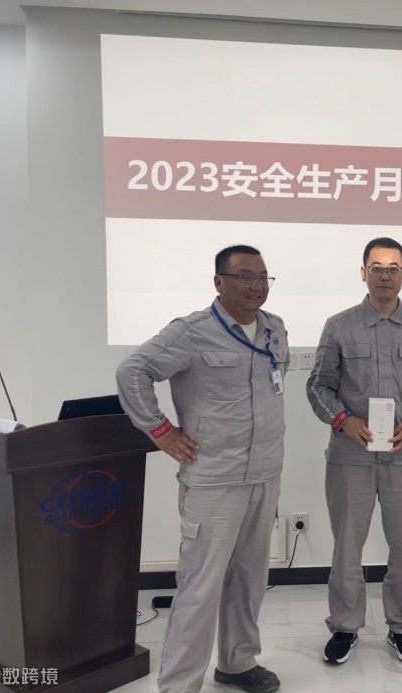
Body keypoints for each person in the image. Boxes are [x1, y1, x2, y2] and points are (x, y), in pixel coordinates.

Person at [116, 245, 288, 693]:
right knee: (200, 587)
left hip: (265, 473)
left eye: (263, 277)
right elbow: (132, 371)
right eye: (245, 276)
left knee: (250, 580)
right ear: (219, 282)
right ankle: (179, 684)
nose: (256, 286)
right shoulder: (192, 332)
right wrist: (160, 431)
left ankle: (237, 662)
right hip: (214, 478)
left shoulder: (274, 328)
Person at [306, 237, 402, 665]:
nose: (386, 275)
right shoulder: (339, 326)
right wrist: (343, 420)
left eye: (393, 268)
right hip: (352, 454)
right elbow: (318, 385)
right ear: (363, 273)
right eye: (378, 268)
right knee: (347, 546)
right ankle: (345, 626)